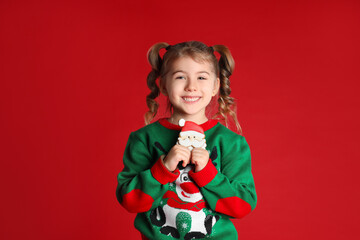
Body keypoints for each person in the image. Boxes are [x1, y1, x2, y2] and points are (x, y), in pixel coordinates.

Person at [116, 41, 257, 240]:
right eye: (180, 77)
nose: (191, 87)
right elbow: (130, 201)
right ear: (164, 85)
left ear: (216, 85)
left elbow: (242, 206)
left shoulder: (232, 144)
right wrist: (163, 168)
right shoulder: (143, 139)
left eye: (201, 77)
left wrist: (208, 173)